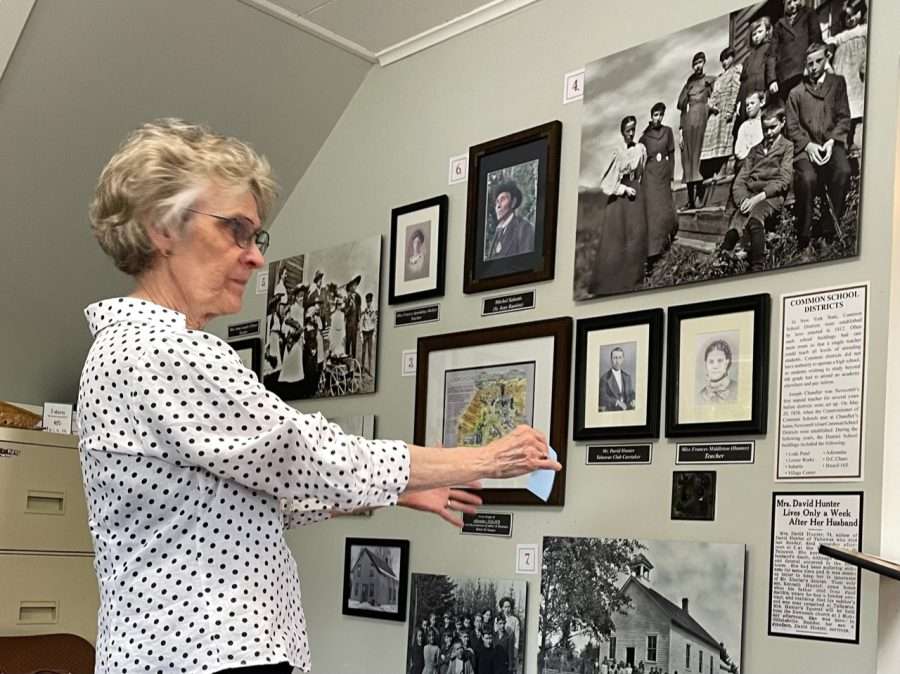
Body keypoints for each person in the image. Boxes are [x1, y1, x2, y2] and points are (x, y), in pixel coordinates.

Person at [80, 118, 559, 674]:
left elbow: (246, 502)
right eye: (236, 229)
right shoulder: (165, 351)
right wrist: (482, 458)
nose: (256, 256)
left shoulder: (130, 348)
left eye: (256, 236)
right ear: (161, 227)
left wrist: (395, 493)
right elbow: (300, 452)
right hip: (210, 658)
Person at [786, 42, 852, 251]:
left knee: (843, 171)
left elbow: (844, 117)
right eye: (810, 63)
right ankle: (804, 238)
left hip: (832, 143)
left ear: (827, 59)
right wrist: (808, 146)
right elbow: (792, 127)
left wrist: (833, 141)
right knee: (807, 178)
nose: (814, 67)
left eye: (818, 61)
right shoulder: (796, 93)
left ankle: (827, 232)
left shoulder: (838, 83)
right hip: (807, 149)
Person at [721, 105, 793, 272]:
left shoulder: (787, 147)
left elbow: (784, 180)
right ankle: (723, 258)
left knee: (755, 217)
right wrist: (743, 200)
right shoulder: (754, 151)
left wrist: (758, 198)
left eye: (772, 128)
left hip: (769, 196)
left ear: (782, 123)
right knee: (736, 222)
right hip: (750, 195)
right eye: (765, 129)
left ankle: (757, 265)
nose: (768, 133)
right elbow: (739, 181)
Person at [588, 115, 648, 296]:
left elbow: (641, 172)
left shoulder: (640, 149)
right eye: (628, 131)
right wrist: (623, 190)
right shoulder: (616, 152)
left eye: (633, 130)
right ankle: (613, 282)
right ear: (622, 132)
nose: (631, 134)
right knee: (616, 238)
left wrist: (636, 187)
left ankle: (634, 279)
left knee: (637, 234)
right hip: (620, 198)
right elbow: (607, 180)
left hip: (636, 193)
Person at [639, 102, 677, 266]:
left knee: (665, 212)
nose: (658, 118)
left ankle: (664, 247)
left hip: (664, 176)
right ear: (651, 115)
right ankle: (651, 254)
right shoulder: (644, 138)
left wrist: (671, 175)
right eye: (655, 115)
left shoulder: (668, 132)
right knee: (653, 215)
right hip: (650, 178)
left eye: (661, 115)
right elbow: (640, 161)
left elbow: (672, 154)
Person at [825, 0, 867, 149]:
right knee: (845, 106)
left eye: (854, 14)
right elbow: (831, 43)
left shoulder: (865, 30)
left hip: (857, 73)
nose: (851, 19)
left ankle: (855, 142)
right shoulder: (839, 37)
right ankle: (847, 143)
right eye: (847, 16)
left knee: (858, 105)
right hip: (843, 72)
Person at [677, 51, 715, 209]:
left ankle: (700, 197)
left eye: (700, 62)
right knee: (688, 161)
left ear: (704, 63)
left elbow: (715, 100)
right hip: (688, 124)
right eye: (695, 63)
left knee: (699, 158)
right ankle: (690, 200)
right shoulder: (689, 84)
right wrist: (680, 131)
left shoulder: (710, 81)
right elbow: (681, 106)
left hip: (702, 120)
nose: (698, 66)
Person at [768, 0, 823, 101]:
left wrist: (811, 65)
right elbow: (772, 55)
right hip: (785, 78)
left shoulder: (808, 14)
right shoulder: (779, 25)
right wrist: (772, 80)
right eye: (789, 2)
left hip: (804, 71)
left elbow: (816, 42)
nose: (792, 5)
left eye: (795, 0)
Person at [700, 47, 742, 178]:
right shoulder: (719, 78)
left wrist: (729, 110)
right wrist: (711, 106)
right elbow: (713, 96)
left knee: (725, 141)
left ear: (732, 58)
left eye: (727, 58)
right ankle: (712, 173)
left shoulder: (735, 71)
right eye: (722, 59)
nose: (724, 62)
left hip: (726, 112)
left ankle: (723, 170)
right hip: (716, 114)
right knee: (711, 140)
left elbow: (735, 91)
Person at [736, 17, 774, 133]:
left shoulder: (770, 48)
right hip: (746, 93)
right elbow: (742, 81)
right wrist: (739, 102)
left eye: (760, 32)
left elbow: (771, 68)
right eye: (753, 34)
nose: (756, 36)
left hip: (760, 87)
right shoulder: (748, 58)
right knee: (744, 125)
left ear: (767, 32)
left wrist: (771, 84)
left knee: (760, 123)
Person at [485, 181, 534, 260]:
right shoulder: (498, 231)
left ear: (513, 202)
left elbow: (526, 261)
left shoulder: (524, 227)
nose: (498, 206)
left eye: (503, 199)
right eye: (497, 201)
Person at [277, 285, 307, 383]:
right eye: (299, 296)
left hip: (299, 336)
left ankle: (297, 377)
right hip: (292, 335)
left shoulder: (302, 310)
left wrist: (302, 336)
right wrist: (289, 333)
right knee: (290, 355)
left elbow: (302, 323)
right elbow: (287, 321)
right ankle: (287, 377)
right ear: (296, 297)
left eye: (303, 296)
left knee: (297, 357)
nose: (301, 299)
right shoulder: (292, 308)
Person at [599, 347, 636, 412]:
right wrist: (616, 402)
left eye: (619, 358)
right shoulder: (604, 378)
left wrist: (634, 399)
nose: (617, 361)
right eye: (615, 358)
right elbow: (602, 397)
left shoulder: (627, 377)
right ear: (611, 359)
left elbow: (631, 392)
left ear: (623, 359)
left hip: (627, 410)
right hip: (612, 411)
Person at [734, 91, 766, 164]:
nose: (749, 107)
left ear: (761, 103)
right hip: (748, 162)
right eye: (747, 105)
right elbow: (738, 151)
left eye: (752, 103)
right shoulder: (745, 126)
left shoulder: (766, 122)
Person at [344, 275, 362, 359]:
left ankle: (354, 361)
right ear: (350, 287)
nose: (354, 287)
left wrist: (358, 322)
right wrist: (349, 306)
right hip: (348, 324)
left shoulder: (358, 297)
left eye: (356, 285)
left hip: (355, 324)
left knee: (354, 343)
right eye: (353, 285)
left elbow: (359, 310)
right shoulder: (347, 298)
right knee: (348, 342)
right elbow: (345, 312)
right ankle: (347, 361)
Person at [360, 292, 377, 375]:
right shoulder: (364, 312)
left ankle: (370, 370)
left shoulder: (373, 311)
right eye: (367, 301)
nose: (368, 303)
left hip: (370, 333)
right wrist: (360, 334)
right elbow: (360, 323)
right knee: (363, 352)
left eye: (370, 301)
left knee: (370, 352)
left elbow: (375, 323)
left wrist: (374, 334)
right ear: (366, 302)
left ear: (371, 301)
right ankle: (362, 369)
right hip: (364, 333)